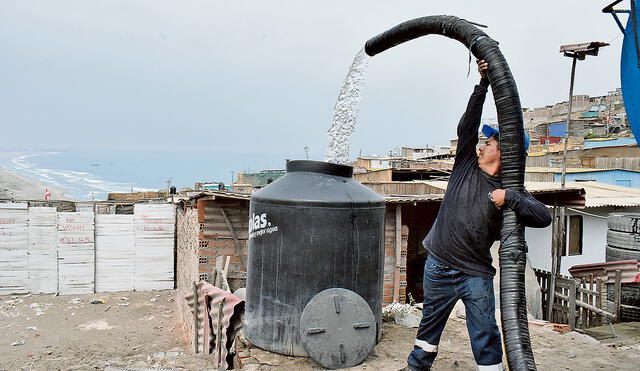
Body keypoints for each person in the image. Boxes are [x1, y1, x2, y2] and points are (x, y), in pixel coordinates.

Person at [402, 59, 552, 371]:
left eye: (490, 141)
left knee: (485, 332)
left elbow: (543, 217)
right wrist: (482, 85)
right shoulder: (465, 166)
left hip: (475, 273)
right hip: (439, 264)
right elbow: (465, 127)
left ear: (507, 149)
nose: (482, 146)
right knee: (430, 325)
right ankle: (417, 367)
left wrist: (509, 197)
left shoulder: (510, 189)